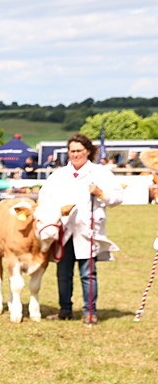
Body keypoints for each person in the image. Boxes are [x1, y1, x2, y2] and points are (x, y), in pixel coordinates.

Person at [39, 133, 124, 325]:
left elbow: (118, 197)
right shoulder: (59, 175)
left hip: (88, 230)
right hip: (63, 230)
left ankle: (90, 312)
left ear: (88, 151)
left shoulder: (100, 173)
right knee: (63, 273)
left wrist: (100, 193)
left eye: (79, 151)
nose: (75, 154)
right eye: (72, 151)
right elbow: (45, 197)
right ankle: (65, 310)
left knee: (88, 273)